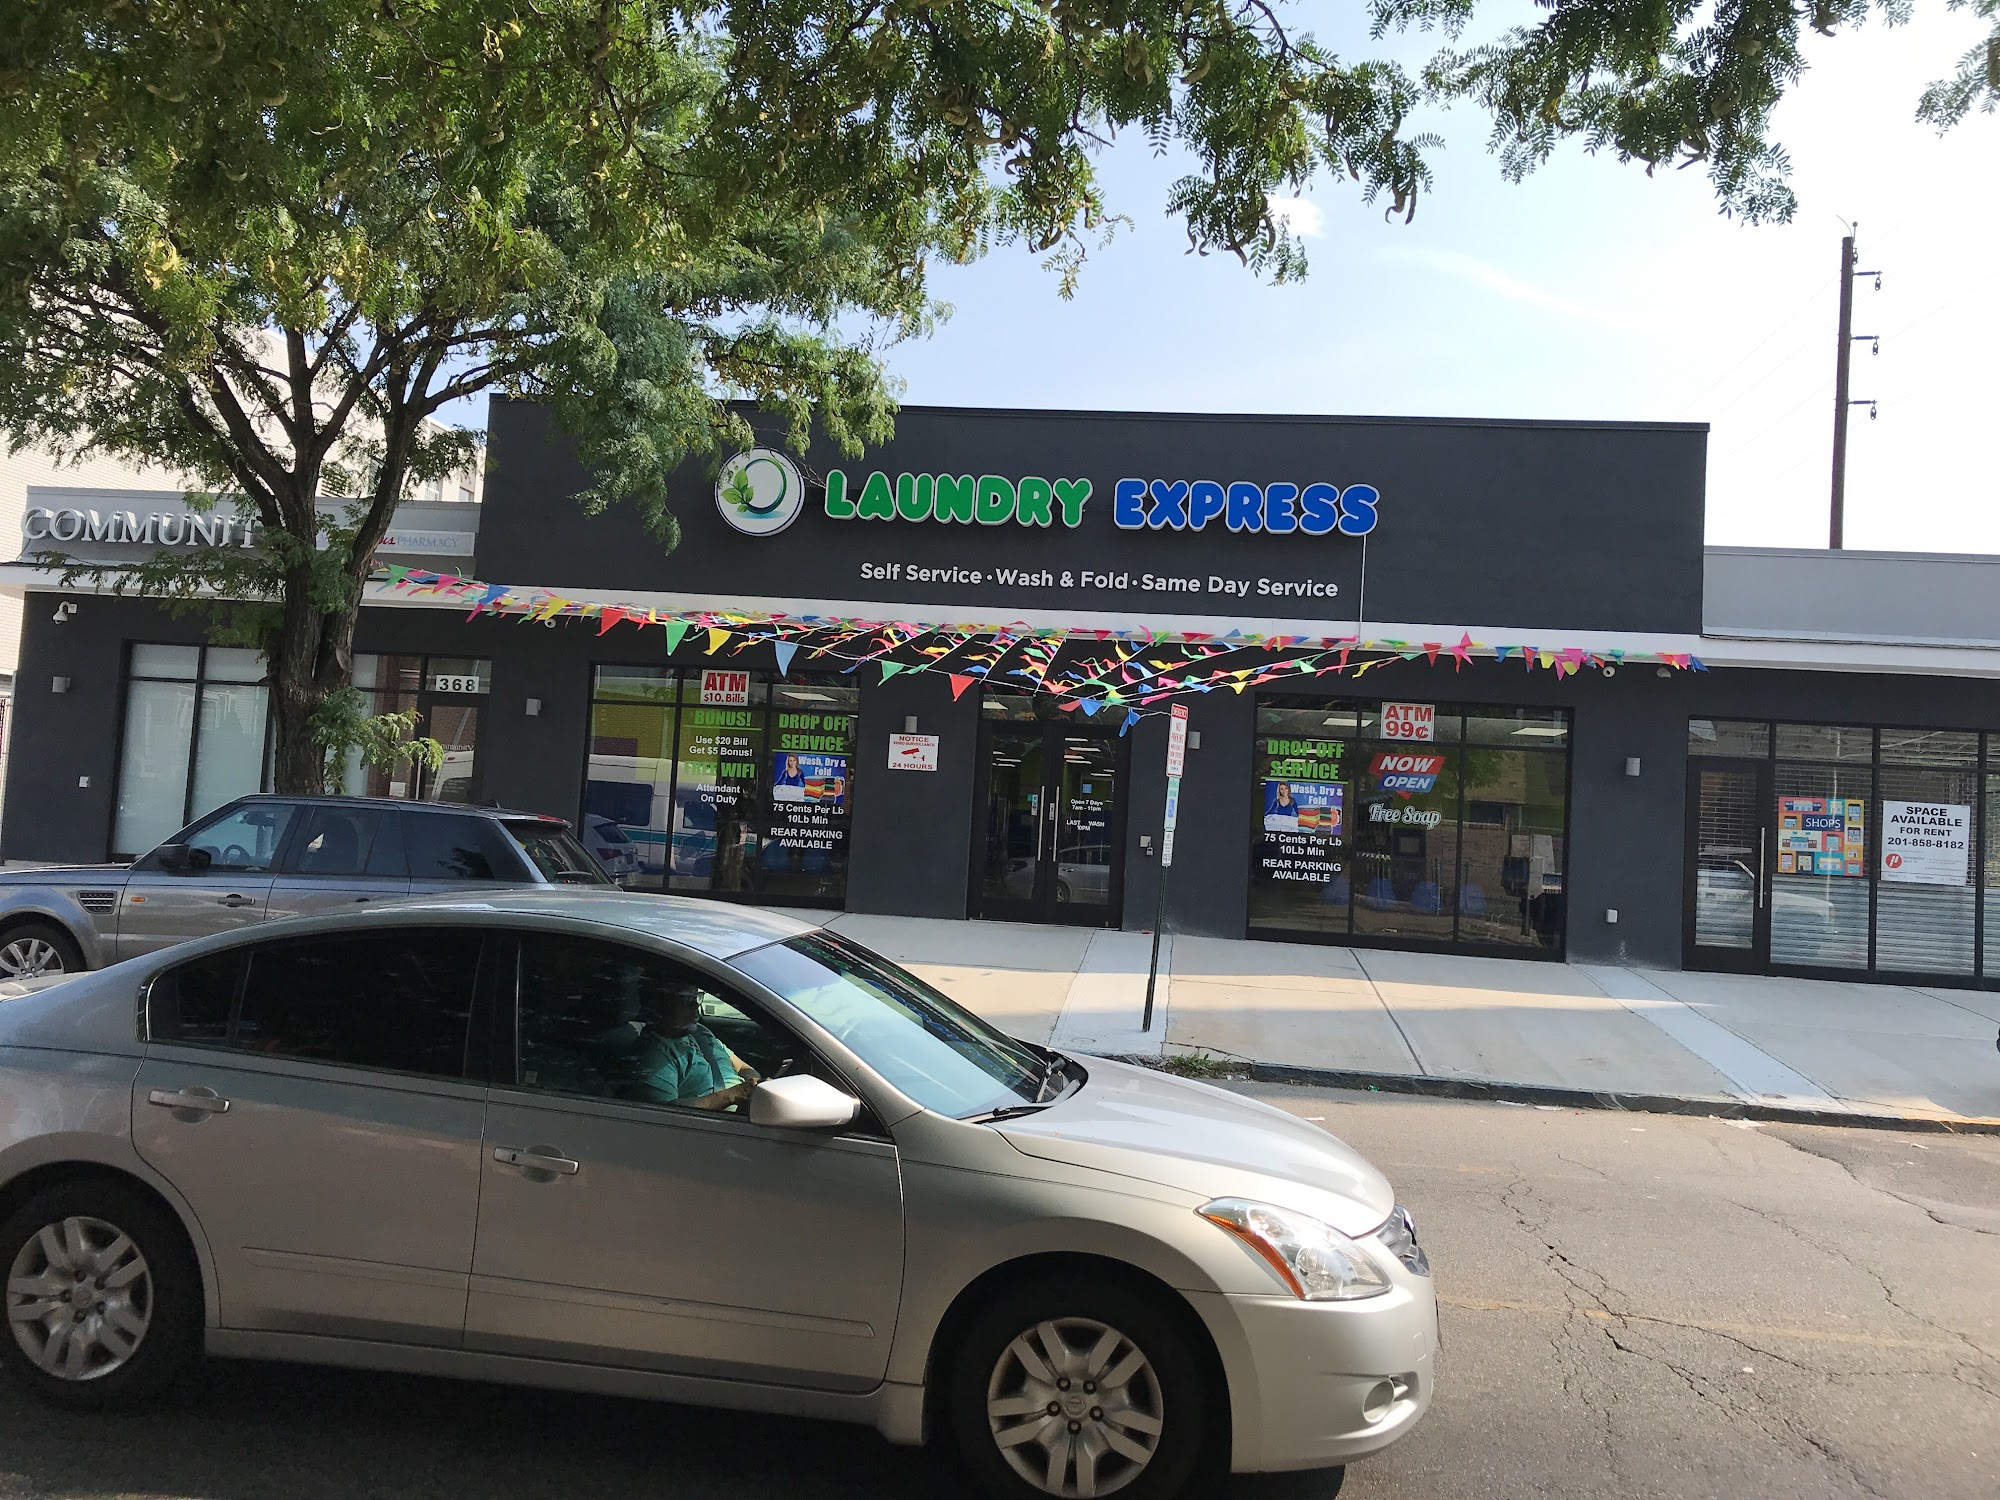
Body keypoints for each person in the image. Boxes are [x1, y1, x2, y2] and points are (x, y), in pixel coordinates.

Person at [634, 984, 763, 1110]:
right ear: (660, 1006)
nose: (695, 1005)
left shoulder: (700, 1032)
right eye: (686, 1000)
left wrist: (756, 1086)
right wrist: (732, 1095)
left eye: (696, 997)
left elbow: (742, 1067)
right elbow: (664, 1113)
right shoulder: (654, 1056)